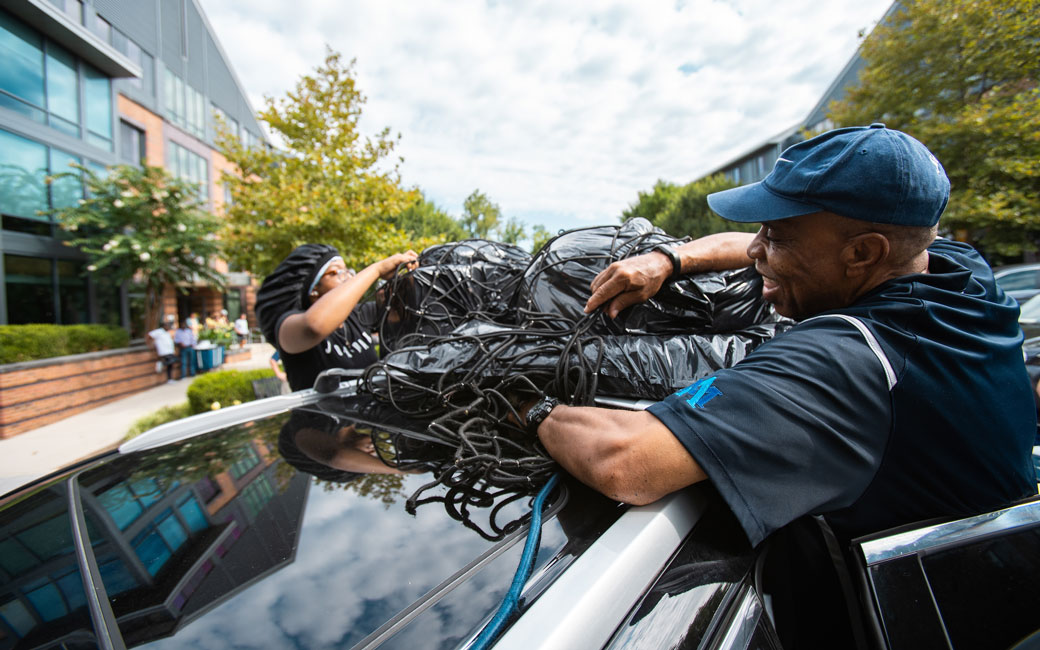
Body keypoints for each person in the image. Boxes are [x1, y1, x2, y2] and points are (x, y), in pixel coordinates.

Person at [528, 124, 1037, 551]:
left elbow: (624, 461)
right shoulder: (958, 272)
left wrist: (526, 406)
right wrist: (669, 260)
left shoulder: (848, 359)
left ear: (862, 253)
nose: (755, 249)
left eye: (777, 236)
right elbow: (742, 246)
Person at [255, 244, 418, 391]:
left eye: (348, 271)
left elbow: (402, 311)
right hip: (319, 421)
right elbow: (315, 326)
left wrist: (409, 276)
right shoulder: (288, 326)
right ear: (313, 289)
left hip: (366, 420)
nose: (348, 278)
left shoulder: (355, 315)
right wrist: (376, 269)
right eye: (336, 272)